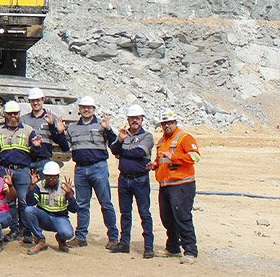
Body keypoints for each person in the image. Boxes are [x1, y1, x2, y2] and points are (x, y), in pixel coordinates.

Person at [66, 96, 119, 249]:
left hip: (99, 168)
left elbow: (114, 146)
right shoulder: (73, 128)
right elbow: (65, 146)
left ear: (94, 109)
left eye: (89, 107)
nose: (86, 109)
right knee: (82, 204)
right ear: (79, 109)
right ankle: (81, 237)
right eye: (83, 107)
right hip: (81, 168)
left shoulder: (102, 126)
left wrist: (108, 129)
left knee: (106, 203)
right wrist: (58, 131)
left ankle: (113, 237)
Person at [151, 109, 201, 264]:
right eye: (164, 123)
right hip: (165, 184)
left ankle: (190, 251)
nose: (167, 126)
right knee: (167, 218)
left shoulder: (184, 138)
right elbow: (162, 159)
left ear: (175, 123)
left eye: (169, 123)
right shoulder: (161, 141)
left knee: (182, 217)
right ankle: (172, 247)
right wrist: (155, 164)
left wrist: (174, 157)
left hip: (182, 185)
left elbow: (195, 157)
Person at [0, 100, 42, 239]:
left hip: (23, 170)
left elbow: (35, 153)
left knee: (24, 202)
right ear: (5, 115)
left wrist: (36, 146)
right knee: (10, 202)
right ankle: (14, 230)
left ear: (19, 114)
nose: (13, 116)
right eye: (10, 113)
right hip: (6, 170)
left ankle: (26, 231)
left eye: (16, 113)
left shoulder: (28, 130)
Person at [109, 104, 155, 258]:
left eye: (137, 118)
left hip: (140, 180)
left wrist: (122, 150)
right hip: (124, 179)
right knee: (125, 213)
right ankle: (124, 243)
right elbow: (114, 150)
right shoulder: (122, 135)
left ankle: (148, 246)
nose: (135, 120)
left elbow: (139, 152)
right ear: (128, 119)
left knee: (144, 213)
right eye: (132, 118)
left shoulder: (147, 136)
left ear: (142, 119)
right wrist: (120, 142)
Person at [23, 161, 78, 255]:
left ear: (58, 176)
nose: (51, 179)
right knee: (28, 210)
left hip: (60, 218)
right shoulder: (39, 186)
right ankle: (40, 240)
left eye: (54, 177)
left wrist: (70, 195)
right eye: (48, 176)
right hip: (44, 218)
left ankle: (61, 239)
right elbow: (30, 203)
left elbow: (74, 209)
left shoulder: (65, 187)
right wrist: (31, 186)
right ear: (44, 176)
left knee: (68, 233)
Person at [20, 87, 70, 174]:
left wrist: (53, 126)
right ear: (29, 101)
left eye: (38, 100)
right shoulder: (23, 120)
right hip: (26, 161)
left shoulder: (52, 118)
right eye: (32, 100)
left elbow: (64, 146)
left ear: (43, 100)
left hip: (44, 161)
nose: (35, 103)